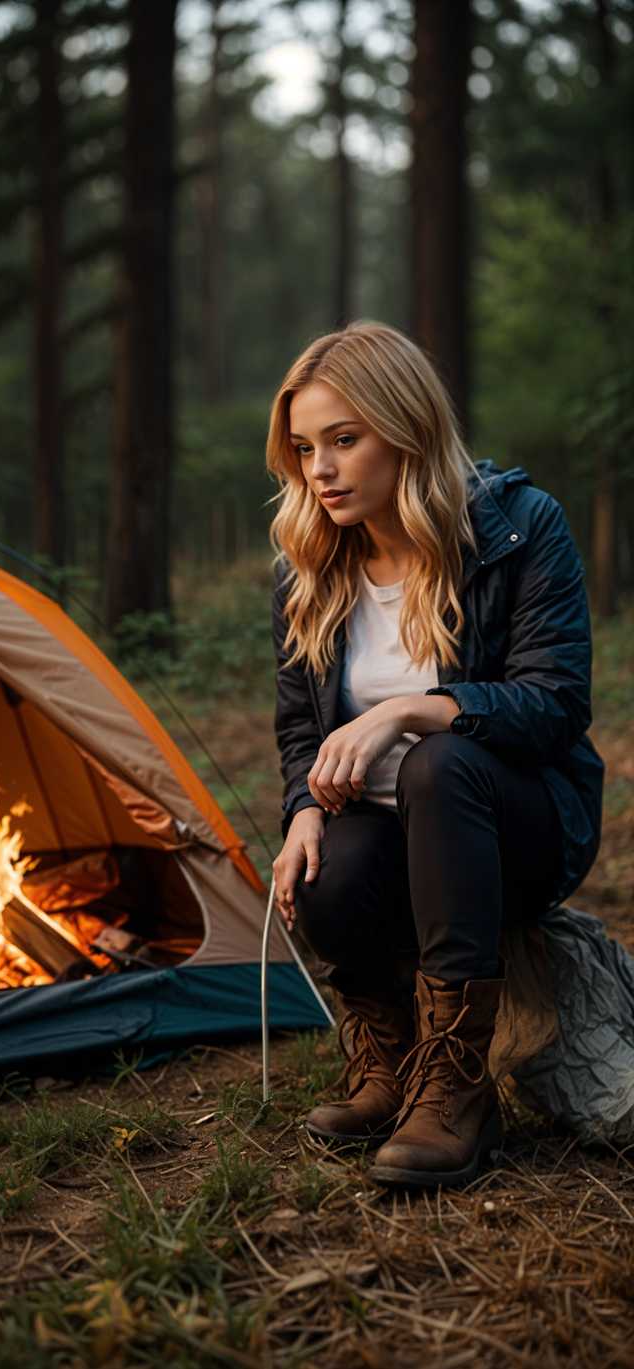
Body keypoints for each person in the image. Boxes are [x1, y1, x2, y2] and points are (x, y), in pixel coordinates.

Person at [268, 321, 604, 1189]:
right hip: (385, 836)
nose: (321, 470)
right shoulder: (309, 566)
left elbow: (557, 706)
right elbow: (298, 726)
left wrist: (414, 709)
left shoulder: (520, 529)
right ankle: (389, 1063)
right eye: (305, 448)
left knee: (435, 760)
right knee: (323, 866)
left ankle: (458, 1085)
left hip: (512, 826)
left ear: (406, 426)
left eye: (345, 439)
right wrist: (303, 810)